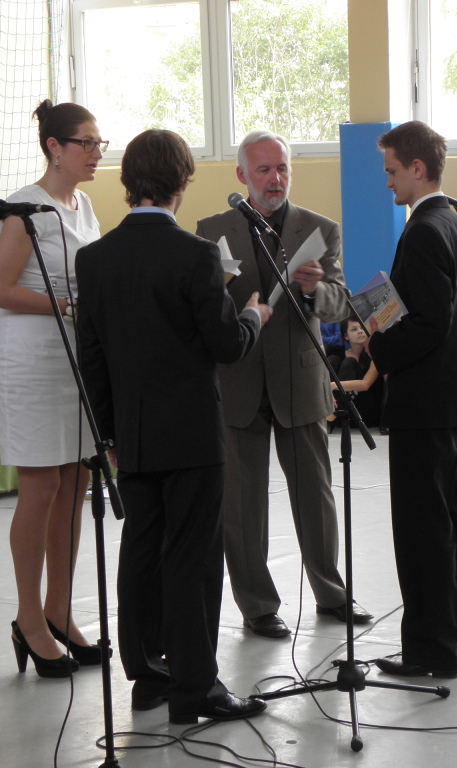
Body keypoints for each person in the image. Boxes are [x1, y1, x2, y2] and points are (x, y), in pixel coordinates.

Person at [76, 129, 269, 725]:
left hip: (131, 433)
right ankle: (195, 687)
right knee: (193, 558)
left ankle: (147, 676)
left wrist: (109, 435)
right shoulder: (196, 255)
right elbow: (226, 345)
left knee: (141, 551)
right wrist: (253, 316)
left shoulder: (95, 259)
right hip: (191, 435)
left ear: (128, 180)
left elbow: (92, 359)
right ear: (182, 181)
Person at [195, 130, 371, 639]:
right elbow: (203, 308)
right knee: (242, 504)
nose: (275, 179)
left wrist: (316, 290)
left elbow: (340, 305)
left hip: (300, 379)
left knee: (315, 496)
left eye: (282, 168)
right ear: (242, 175)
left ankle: (331, 593)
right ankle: (257, 605)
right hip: (239, 380)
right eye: (264, 170)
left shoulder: (319, 229)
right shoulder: (212, 230)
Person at [0, 100, 104, 677]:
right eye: (87, 143)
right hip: (31, 361)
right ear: (55, 147)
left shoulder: (85, 207)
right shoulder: (25, 208)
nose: (96, 153)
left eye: (100, 143)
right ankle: (28, 619)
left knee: (76, 483)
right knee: (41, 487)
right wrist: (67, 304)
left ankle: (60, 610)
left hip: (74, 361)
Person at [367, 120, 457, 679]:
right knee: (456, 520)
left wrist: (378, 340)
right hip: (455, 399)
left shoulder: (422, 231)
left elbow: (428, 324)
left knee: (423, 531)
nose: (388, 181)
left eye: (392, 170)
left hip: (421, 403)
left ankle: (430, 650)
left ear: (418, 168)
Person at [331, 315, 384, 428]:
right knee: (332, 360)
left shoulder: (374, 354)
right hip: (347, 409)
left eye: (362, 328)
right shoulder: (340, 355)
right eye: (354, 329)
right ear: (346, 336)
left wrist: (333, 385)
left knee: (349, 362)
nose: (360, 331)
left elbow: (365, 384)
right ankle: (332, 409)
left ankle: (335, 413)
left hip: (367, 411)